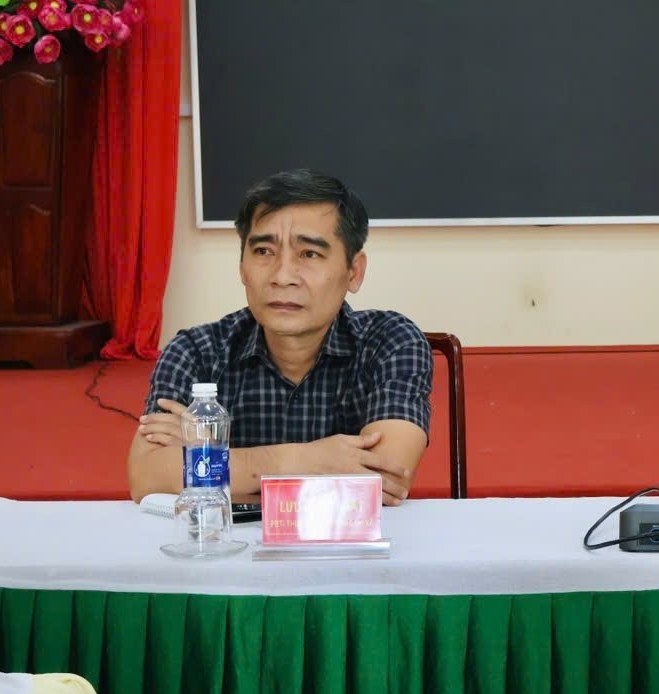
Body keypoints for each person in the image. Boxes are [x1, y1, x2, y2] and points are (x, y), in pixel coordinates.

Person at [127, 169, 432, 506]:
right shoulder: (195, 351)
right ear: (242, 267)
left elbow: (383, 478)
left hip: (345, 542)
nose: (283, 276)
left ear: (354, 272)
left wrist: (209, 459)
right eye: (263, 251)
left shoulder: (390, 341)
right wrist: (308, 460)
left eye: (309, 254)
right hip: (226, 540)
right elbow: (148, 477)